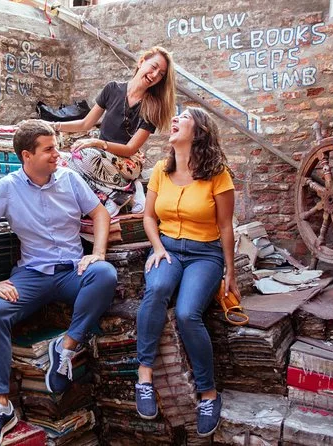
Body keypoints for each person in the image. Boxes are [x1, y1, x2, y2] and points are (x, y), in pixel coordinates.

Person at [0, 120, 117, 446]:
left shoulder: (70, 179)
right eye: (49, 149)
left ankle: (65, 348)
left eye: (56, 147)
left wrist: (98, 253)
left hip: (72, 271)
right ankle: (0, 406)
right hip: (32, 275)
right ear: (27, 155)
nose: (57, 154)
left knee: (105, 274)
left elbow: (100, 214)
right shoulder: (6, 187)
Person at [134, 107, 238, 437]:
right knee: (157, 289)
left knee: (187, 313)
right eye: (176, 117)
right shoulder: (160, 171)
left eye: (185, 117)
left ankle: (208, 394)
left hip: (204, 254)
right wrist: (157, 248)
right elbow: (148, 216)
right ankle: (144, 376)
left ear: (200, 132)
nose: (175, 120)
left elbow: (226, 227)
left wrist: (230, 273)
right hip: (167, 248)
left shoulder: (218, 174)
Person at [53, 46, 176, 216]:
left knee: (86, 155)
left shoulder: (153, 107)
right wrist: (53, 125)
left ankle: (119, 194)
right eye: (154, 67)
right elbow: (85, 123)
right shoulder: (112, 89)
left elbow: (130, 149)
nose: (155, 75)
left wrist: (97, 143)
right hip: (100, 158)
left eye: (161, 74)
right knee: (59, 161)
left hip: (128, 161)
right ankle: (124, 191)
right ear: (141, 62)